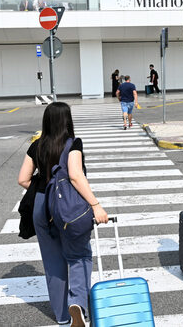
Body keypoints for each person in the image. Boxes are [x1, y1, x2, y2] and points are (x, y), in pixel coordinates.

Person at [17, 102, 109, 326]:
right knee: (79, 255)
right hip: (68, 206)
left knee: (53, 262)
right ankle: (77, 302)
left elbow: (22, 179)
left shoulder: (36, 145)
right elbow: (76, 176)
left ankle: (62, 317)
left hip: (41, 204)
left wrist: (44, 189)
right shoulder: (72, 143)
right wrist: (96, 205)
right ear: (67, 120)